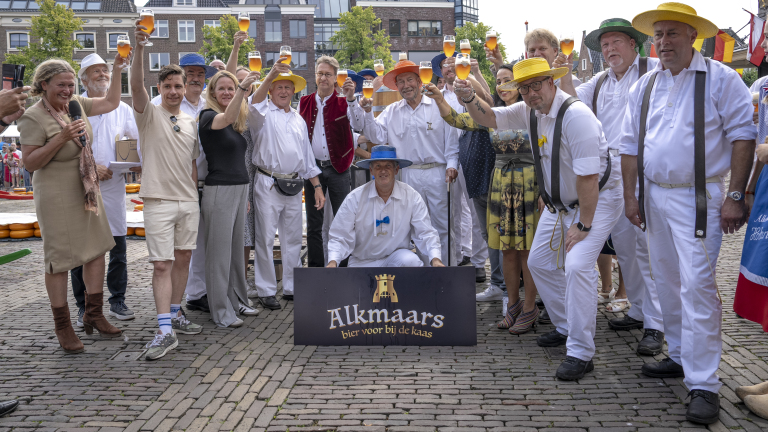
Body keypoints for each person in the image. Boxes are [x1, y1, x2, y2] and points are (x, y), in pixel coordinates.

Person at [620, 3, 756, 424]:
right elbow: (629, 145)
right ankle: (678, 355)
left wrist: (735, 195)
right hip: (654, 196)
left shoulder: (721, 78)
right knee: (666, 280)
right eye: (658, 35)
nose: (663, 42)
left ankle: (704, 384)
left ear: (692, 36)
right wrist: (631, 197)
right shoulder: (644, 85)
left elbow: (743, 136)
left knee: (697, 286)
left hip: (700, 198)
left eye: (672, 34)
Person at [460, 57, 621, 380]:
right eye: (524, 87)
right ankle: (565, 326)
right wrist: (467, 98)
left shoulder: (576, 116)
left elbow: (589, 178)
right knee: (540, 263)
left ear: (552, 82)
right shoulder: (530, 112)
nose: (531, 92)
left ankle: (581, 351)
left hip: (597, 201)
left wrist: (583, 224)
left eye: (537, 84)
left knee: (576, 267)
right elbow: (488, 117)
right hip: (559, 203)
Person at [556, 18, 666, 356]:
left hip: (644, 168)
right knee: (624, 247)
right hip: (608, 174)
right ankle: (637, 309)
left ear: (634, 44)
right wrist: (563, 72)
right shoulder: (599, 81)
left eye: (616, 42)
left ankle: (657, 324)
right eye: (604, 45)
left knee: (649, 249)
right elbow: (571, 100)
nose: (609, 50)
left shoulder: (656, 69)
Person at [17, 57, 127, 353]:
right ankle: (63, 326)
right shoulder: (32, 117)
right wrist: (61, 138)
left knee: (97, 249)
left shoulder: (77, 104)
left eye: (70, 84)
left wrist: (117, 70)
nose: (67, 90)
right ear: (44, 85)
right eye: (61, 85)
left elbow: (113, 101)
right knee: (60, 260)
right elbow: (30, 163)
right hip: (56, 195)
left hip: (86, 190)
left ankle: (94, 313)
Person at [428, 65, 541, 334]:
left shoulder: (535, 112)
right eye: (499, 82)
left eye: (509, 81)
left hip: (528, 182)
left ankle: (529, 307)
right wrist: (439, 98)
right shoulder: (495, 116)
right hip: (501, 183)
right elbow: (457, 120)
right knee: (507, 251)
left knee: (527, 252)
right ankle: (511, 304)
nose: (503, 86)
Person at [132, 21, 205, 360]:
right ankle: (164, 331)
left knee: (184, 258)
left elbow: (192, 164)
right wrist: (140, 48)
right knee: (161, 264)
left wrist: (193, 196)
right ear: (159, 88)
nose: (175, 91)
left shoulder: (191, 121)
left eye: (179, 85)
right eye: (169, 86)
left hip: (188, 202)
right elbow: (134, 85)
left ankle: (175, 313)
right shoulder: (148, 114)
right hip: (158, 200)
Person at [347, 60, 461, 266]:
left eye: (410, 80)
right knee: (414, 227)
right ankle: (423, 277)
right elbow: (376, 136)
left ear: (419, 81)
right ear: (396, 86)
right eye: (401, 81)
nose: (406, 85)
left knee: (442, 226)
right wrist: (367, 113)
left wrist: (452, 164)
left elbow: (452, 140)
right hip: (407, 174)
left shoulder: (438, 105)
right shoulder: (392, 111)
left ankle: (445, 275)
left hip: (438, 173)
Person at [69, 53, 141, 327]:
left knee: (117, 245)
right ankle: (83, 304)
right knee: (81, 249)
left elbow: (129, 143)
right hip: (79, 187)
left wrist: (122, 165)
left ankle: (117, 300)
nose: (102, 74)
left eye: (105, 70)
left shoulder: (121, 109)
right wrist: (90, 167)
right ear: (84, 79)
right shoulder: (73, 107)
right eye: (95, 71)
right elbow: (66, 147)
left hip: (111, 186)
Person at [248, 59, 325, 310]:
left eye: (287, 87)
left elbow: (307, 157)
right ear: (270, 89)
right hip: (267, 182)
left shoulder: (298, 119)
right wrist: (270, 74)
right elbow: (254, 102)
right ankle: (266, 290)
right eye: (278, 87)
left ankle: (291, 287)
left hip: (294, 184)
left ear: (294, 91)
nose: (283, 91)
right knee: (266, 238)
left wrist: (316, 186)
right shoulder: (261, 114)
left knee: (293, 239)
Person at [151, 53, 217, 314]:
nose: (196, 78)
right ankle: (170, 309)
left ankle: (195, 294)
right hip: (168, 187)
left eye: (201, 74)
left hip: (201, 183)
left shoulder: (205, 105)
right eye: (191, 74)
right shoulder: (161, 105)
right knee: (167, 256)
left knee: (194, 247)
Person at [199, 70, 261, 327]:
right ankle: (221, 312)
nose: (226, 92)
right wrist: (242, 89)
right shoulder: (208, 117)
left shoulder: (236, 122)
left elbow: (240, 162)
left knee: (236, 254)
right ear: (212, 93)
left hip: (238, 189)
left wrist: (245, 194)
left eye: (230, 88)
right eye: (222, 88)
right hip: (219, 191)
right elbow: (229, 115)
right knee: (219, 256)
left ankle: (235, 303)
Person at [327, 145, 445, 268]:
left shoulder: (411, 196)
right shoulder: (355, 198)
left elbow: (425, 232)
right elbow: (340, 235)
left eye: (388, 166)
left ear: (396, 170)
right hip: (362, 261)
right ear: (371, 170)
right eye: (378, 166)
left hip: (396, 258)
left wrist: (435, 259)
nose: (383, 171)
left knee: (411, 262)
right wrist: (333, 261)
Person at [432, 52, 489, 282]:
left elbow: (488, 102)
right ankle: (454, 258)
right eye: (444, 66)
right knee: (451, 212)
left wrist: (477, 74)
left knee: (476, 213)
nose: (448, 69)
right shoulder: (435, 96)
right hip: (448, 158)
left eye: (452, 65)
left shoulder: (468, 87)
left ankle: (478, 262)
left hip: (473, 153)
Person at [298, 56, 354, 268]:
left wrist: (352, 99)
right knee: (314, 224)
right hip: (313, 171)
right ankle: (315, 270)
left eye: (328, 74)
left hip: (339, 168)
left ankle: (343, 268)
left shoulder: (344, 102)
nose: (323, 78)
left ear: (335, 78)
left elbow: (357, 124)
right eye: (320, 73)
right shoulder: (304, 102)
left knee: (343, 221)